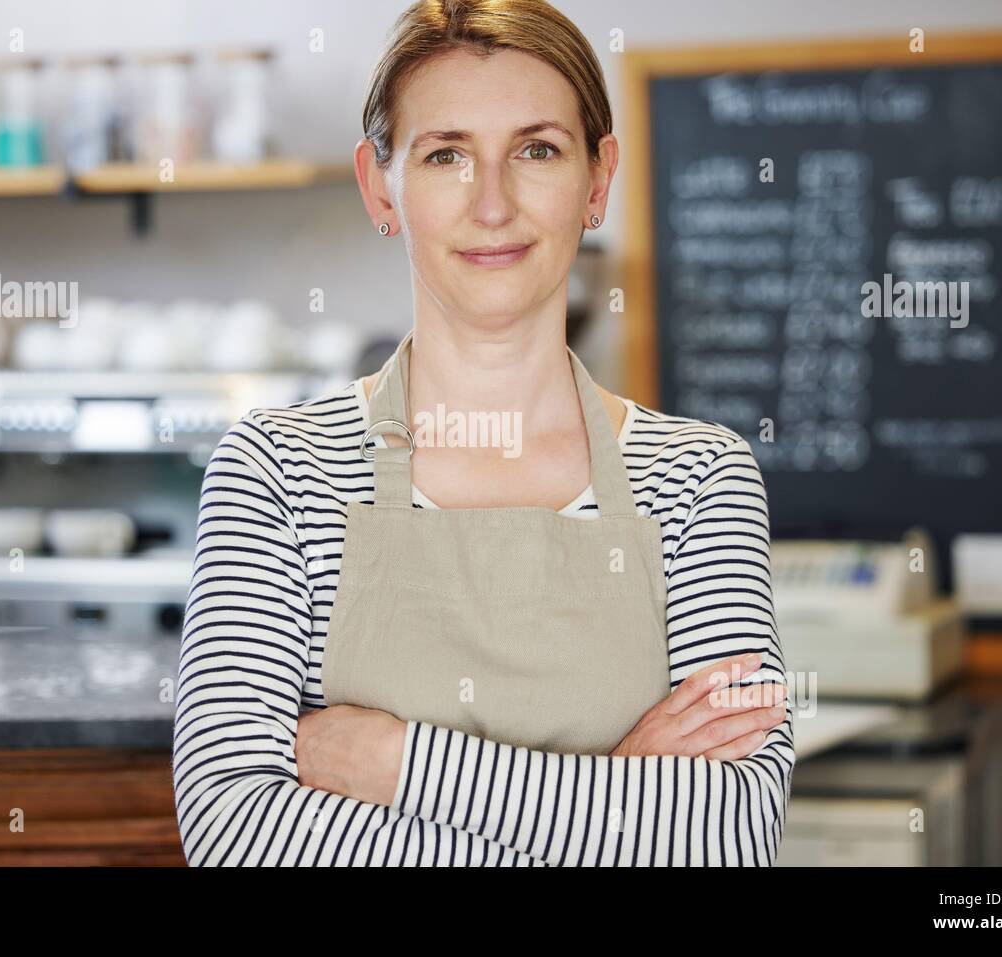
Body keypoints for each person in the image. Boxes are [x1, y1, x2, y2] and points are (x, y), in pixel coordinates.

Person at [172, 0, 794, 866]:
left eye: (537, 149)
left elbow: (728, 833)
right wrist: (619, 798)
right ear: (378, 185)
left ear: (598, 180)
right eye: (446, 155)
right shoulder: (277, 470)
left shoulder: (699, 480)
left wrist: (396, 763)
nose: (493, 203)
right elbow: (233, 832)